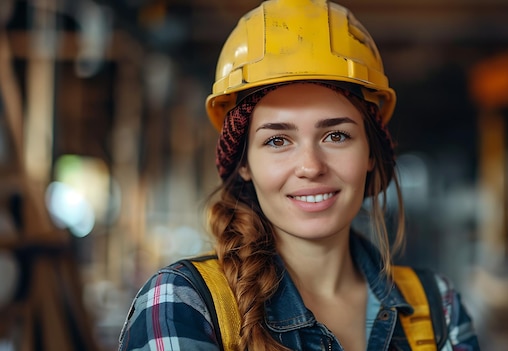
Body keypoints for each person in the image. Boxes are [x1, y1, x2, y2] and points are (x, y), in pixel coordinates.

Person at [118, 0, 480, 350]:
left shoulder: (437, 309)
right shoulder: (183, 304)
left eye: (336, 135)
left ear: (371, 152)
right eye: (277, 140)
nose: (310, 166)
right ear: (243, 163)